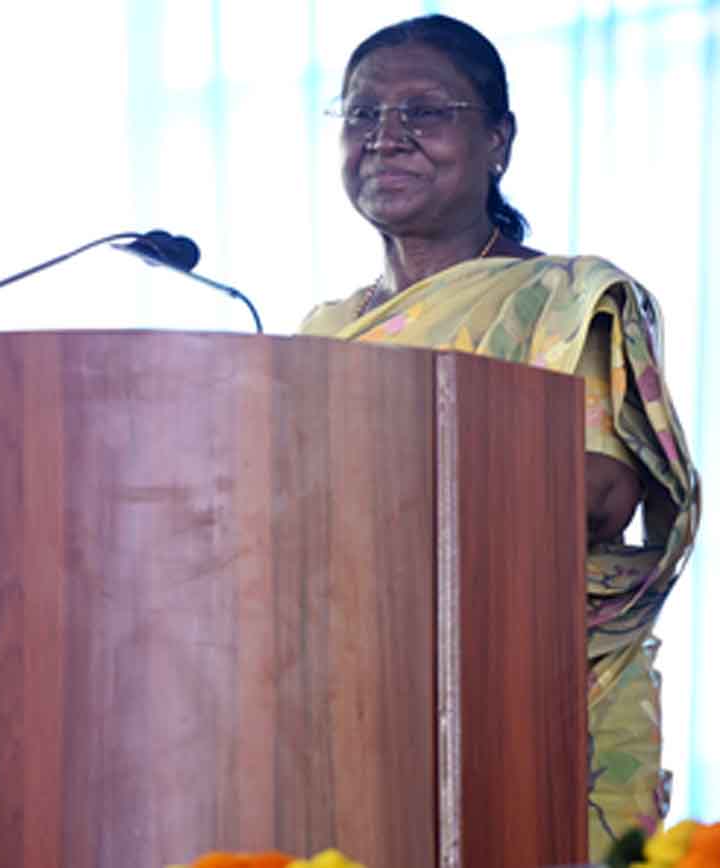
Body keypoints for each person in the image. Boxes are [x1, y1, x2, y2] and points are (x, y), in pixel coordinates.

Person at [299, 14, 701, 862]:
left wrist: (372, 486)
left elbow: (598, 495)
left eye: (424, 111)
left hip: (539, 689)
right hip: (353, 692)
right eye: (362, 114)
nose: (386, 137)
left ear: (498, 141)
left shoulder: (567, 298)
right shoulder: (323, 333)